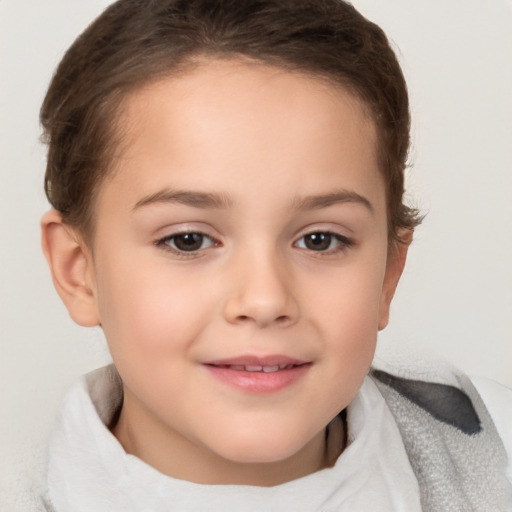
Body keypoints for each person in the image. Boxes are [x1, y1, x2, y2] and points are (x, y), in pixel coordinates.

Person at [34, 0, 511, 510]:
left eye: (320, 239)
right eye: (188, 240)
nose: (263, 300)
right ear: (78, 271)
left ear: (388, 274)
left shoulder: (497, 449)